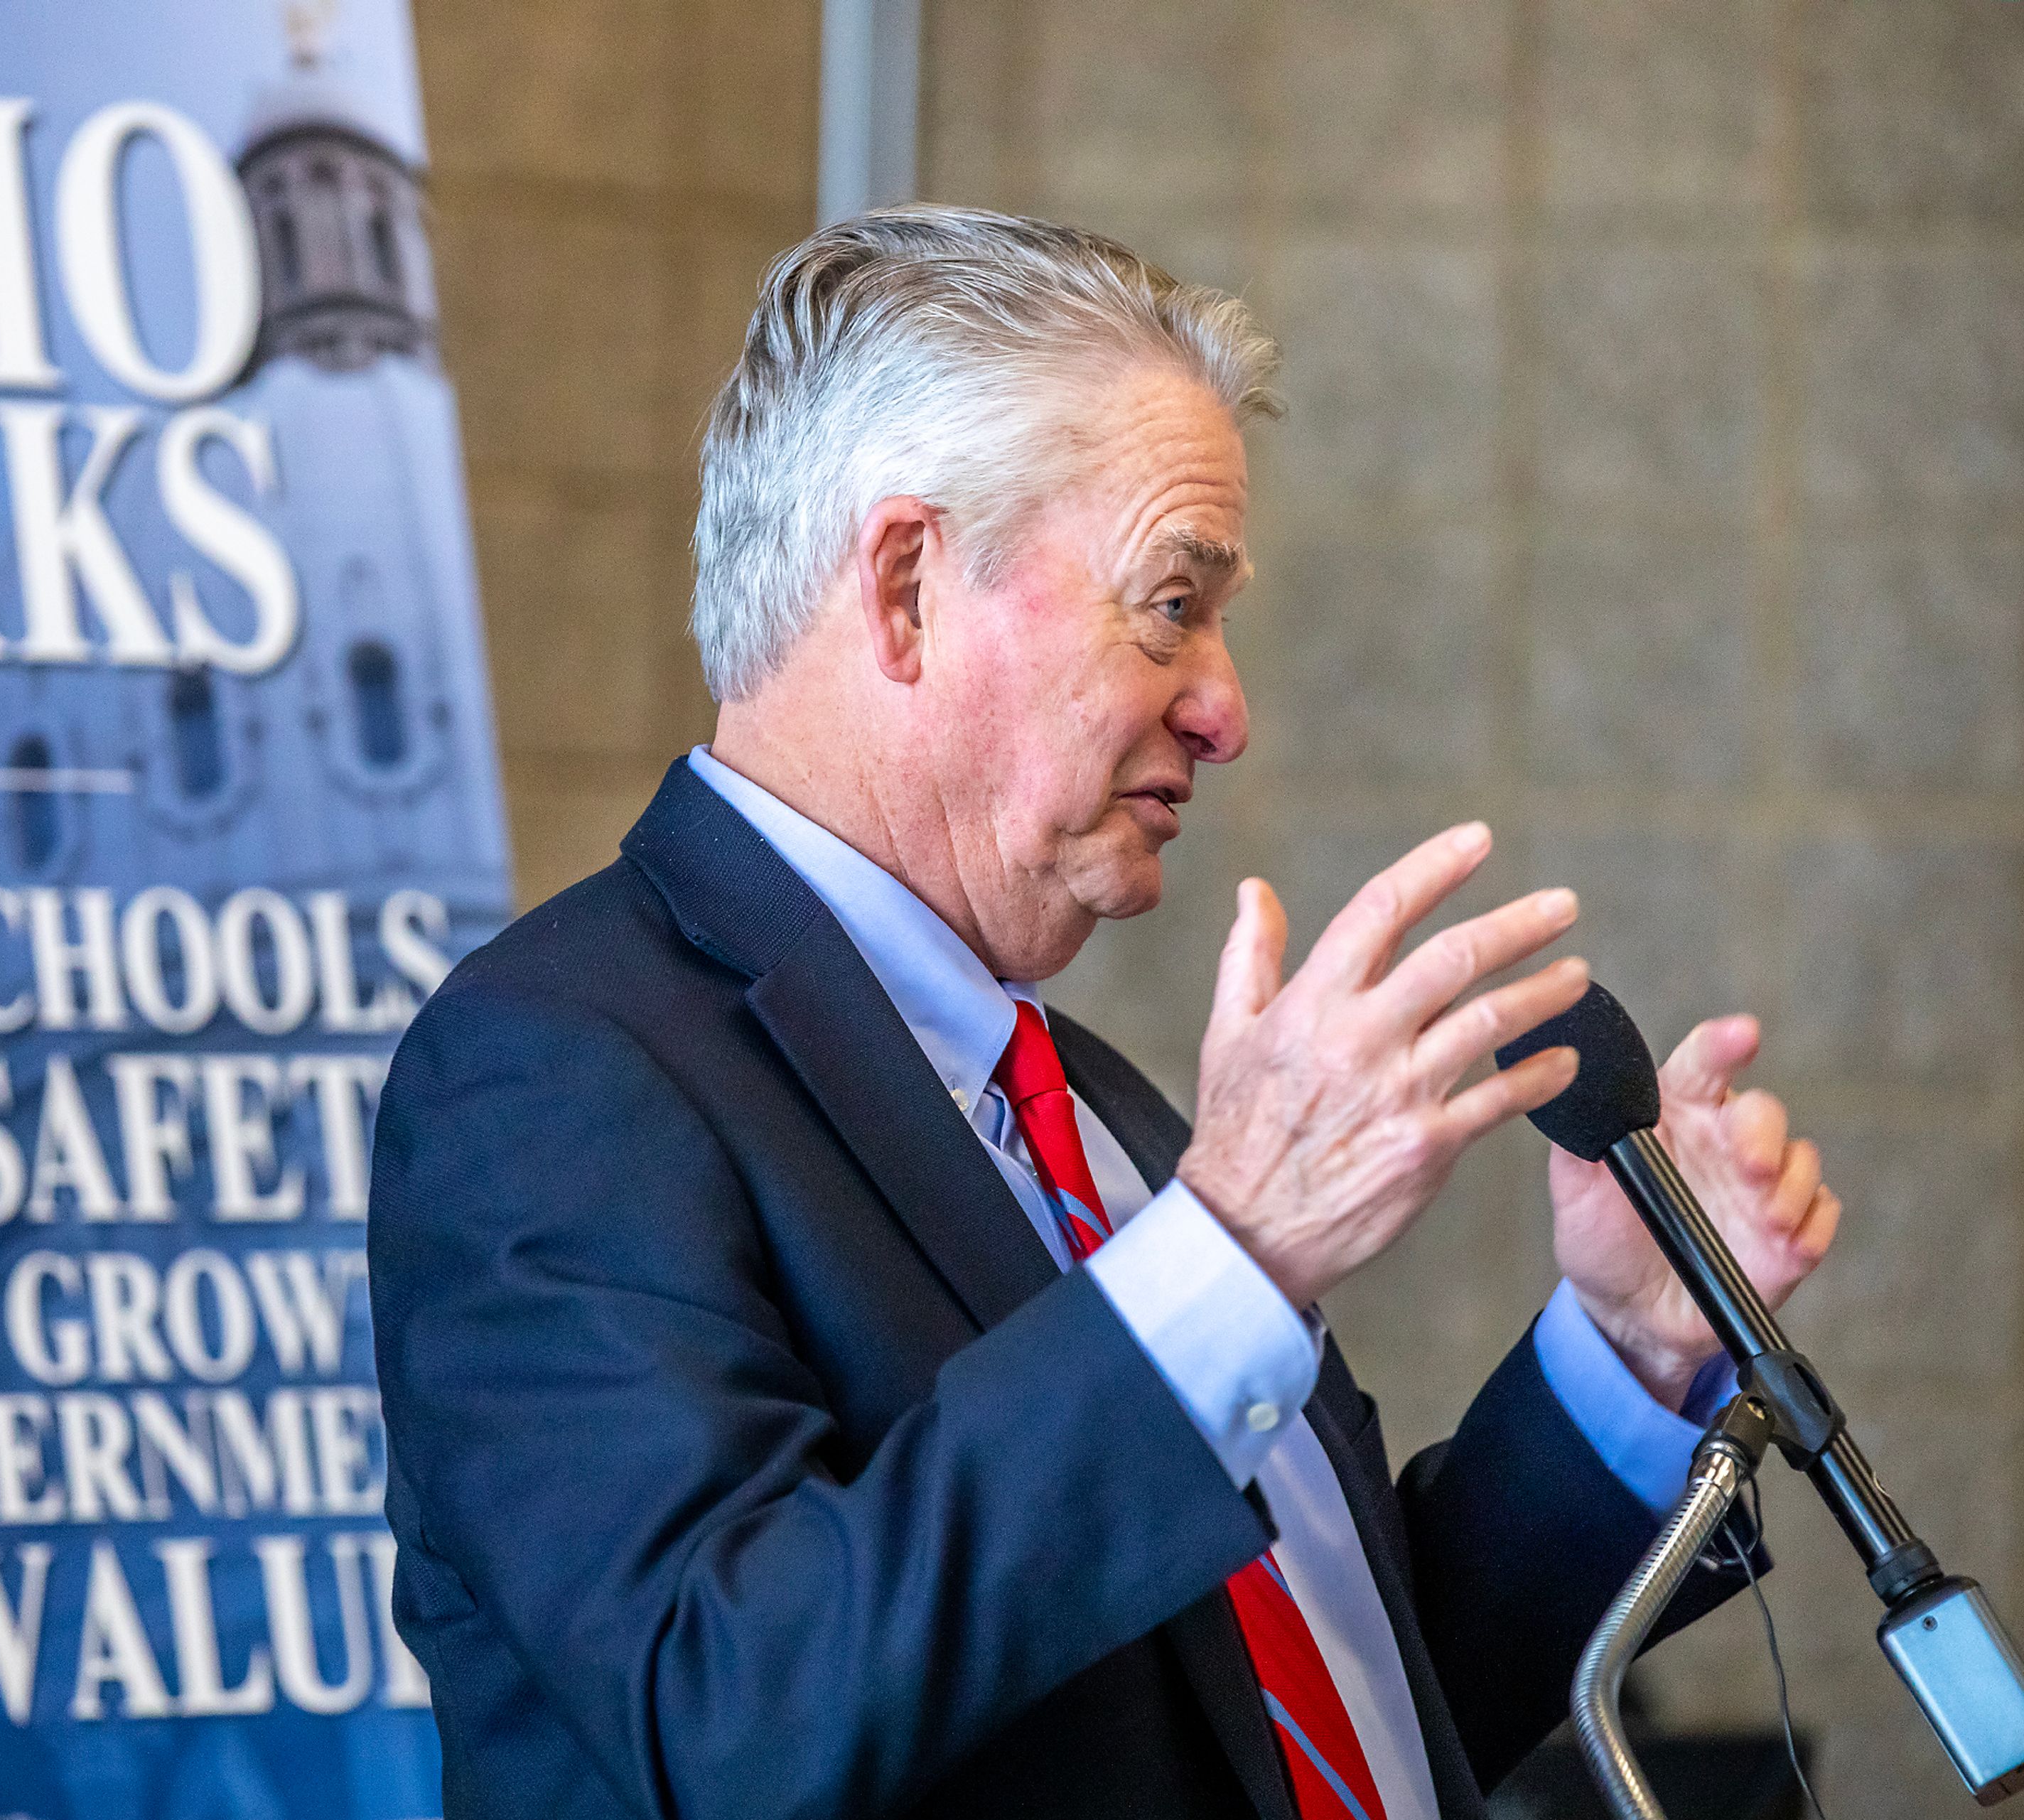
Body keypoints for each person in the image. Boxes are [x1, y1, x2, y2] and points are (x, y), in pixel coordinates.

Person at [366, 207, 1841, 1820]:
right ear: (910, 586)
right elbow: (730, 1710)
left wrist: (1625, 1354)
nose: (1224, 707)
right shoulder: (556, 1069)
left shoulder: (1094, 1105)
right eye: (1169, 603)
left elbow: (1317, 1702)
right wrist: (1234, 1253)